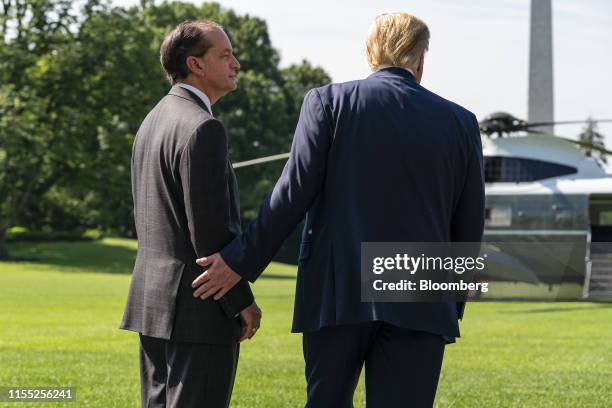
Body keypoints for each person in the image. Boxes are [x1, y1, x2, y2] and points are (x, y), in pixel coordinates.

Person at [194, 12, 484, 407]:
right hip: (421, 297)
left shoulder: (328, 102)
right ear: (420, 60)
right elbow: (468, 224)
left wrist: (240, 261)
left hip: (336, 292)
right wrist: (451, 301)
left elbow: (292, 194)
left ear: (369, 54)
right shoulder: (461, 122)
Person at [120, 20, 261, 408]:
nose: (236, 63)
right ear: (195, 65)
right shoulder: (203, 128)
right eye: (225, 54)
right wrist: (241, 302)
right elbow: (211, 236)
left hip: (152, 306)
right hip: (198, 311)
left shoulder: (152, 121)